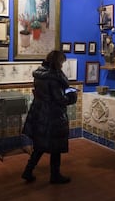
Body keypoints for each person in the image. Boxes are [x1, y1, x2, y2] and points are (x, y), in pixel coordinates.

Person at [21, 50, 77, 184]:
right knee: (56, 147)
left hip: (40, 112)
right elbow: (60, 99)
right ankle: (55, 175)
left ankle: (28, 171)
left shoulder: (40, 74)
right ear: (58, 62)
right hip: (53, 115)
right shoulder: (54, 77)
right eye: (62, 62)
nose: (63, 65)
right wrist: (72, 95)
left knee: (40, 145)